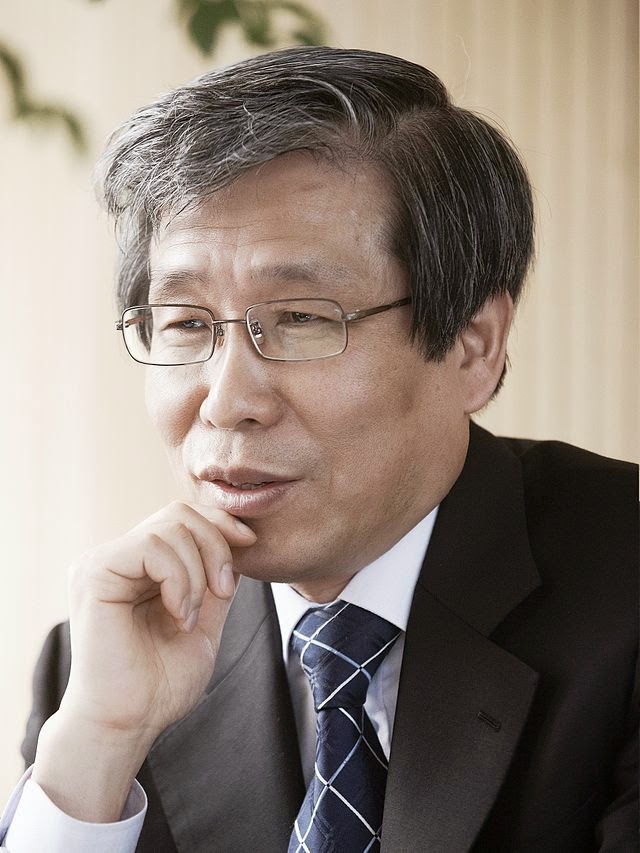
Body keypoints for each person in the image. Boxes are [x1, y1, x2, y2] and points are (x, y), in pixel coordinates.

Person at [0, 46, 637, 852]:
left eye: (301, 319)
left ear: (473, 344)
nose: (226, 400)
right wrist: (93, 754)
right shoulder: (103, 662)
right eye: (187, 323)